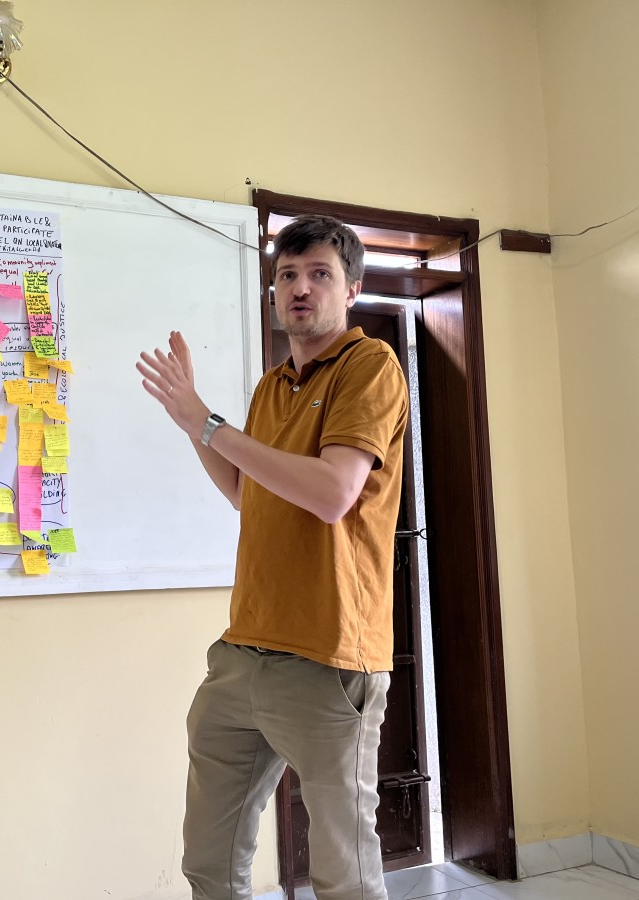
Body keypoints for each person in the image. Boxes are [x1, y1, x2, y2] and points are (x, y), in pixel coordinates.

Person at [137, 214, 408, 900]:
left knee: (344, 877)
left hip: (328, 659)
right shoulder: (270, 388)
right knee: (210, 864)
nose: (300, 288)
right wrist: (191, 426)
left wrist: (208, 422)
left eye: (320, 274)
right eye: (287, 275)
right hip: (242, 655)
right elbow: (241, 492)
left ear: (351, 290)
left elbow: (331, 493)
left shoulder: (368, 366)